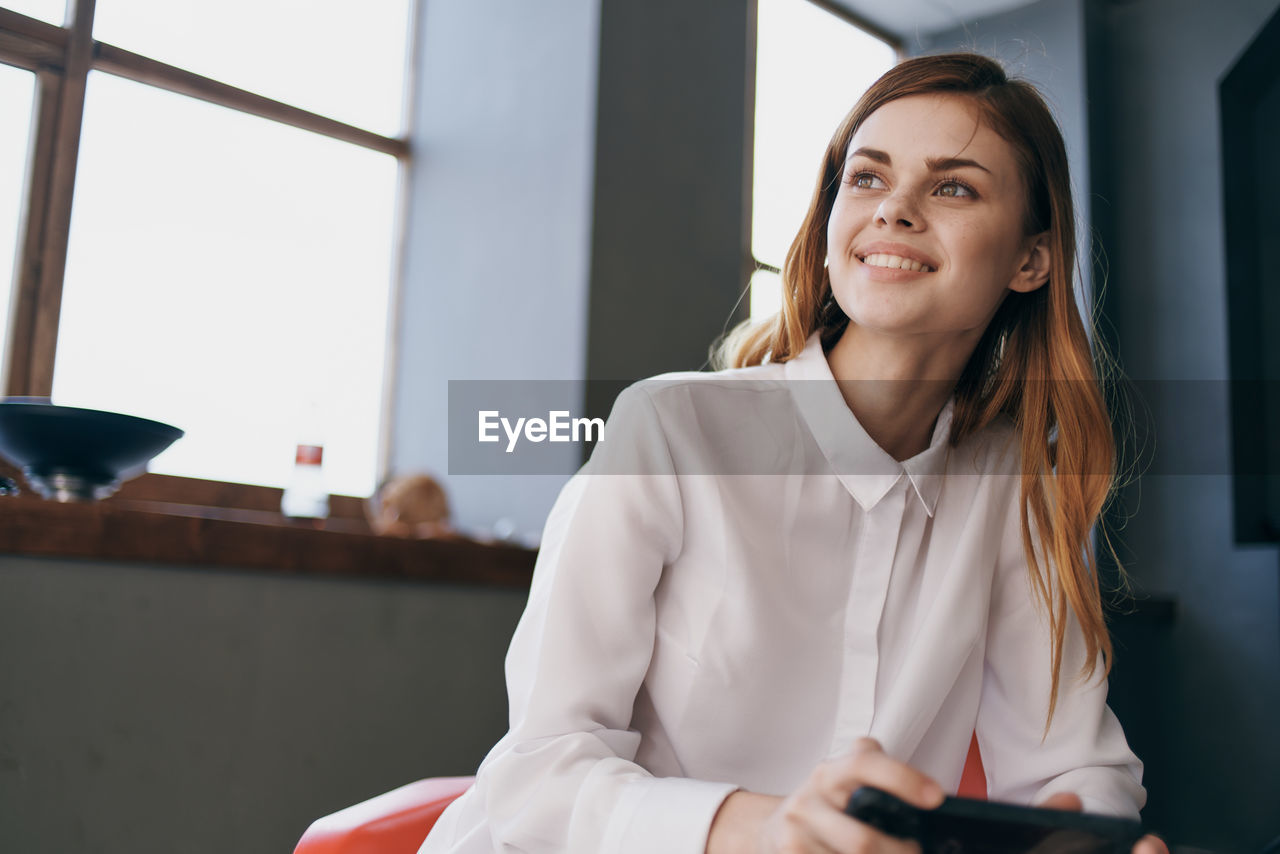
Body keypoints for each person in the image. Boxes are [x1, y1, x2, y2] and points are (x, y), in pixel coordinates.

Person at [419, 52, 1165, 854]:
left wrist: (1084, 843)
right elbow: (536, 778)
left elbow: (1077, 769)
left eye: (953, 186)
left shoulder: (1012, 489)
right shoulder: (668, 430)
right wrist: (764, 827)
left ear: (1030, 260)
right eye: (868, 178)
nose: (895, 211)